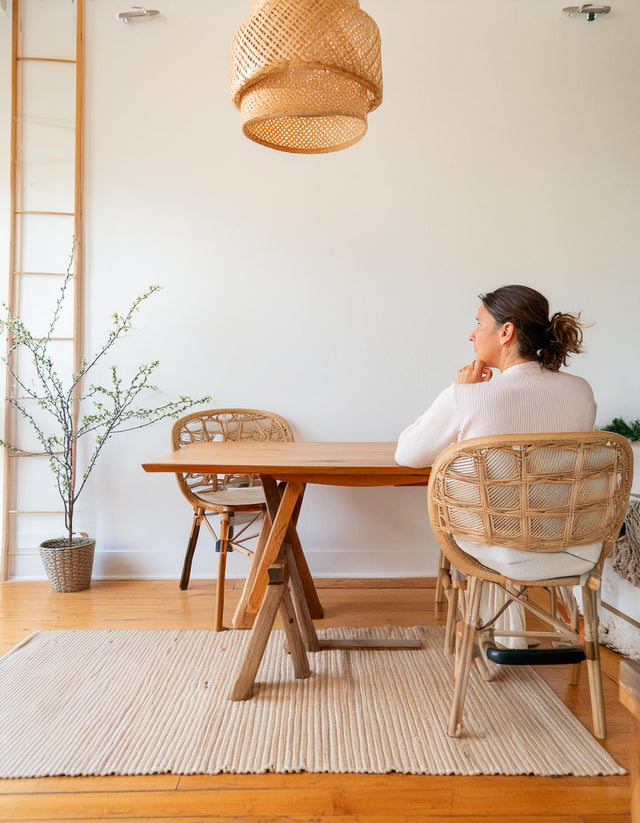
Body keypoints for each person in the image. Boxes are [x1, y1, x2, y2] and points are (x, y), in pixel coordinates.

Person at [395, 284, 597, 649]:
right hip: (567, 539)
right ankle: (508, 634)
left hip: (495, 539)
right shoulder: (580, 390)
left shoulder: (473, 394)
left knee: (487, 513)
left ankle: (495, 631)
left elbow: (408, 454)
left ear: (507, 332)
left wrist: (458, 391)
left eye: (478, 324)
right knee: (514, 506)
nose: (471, 334)